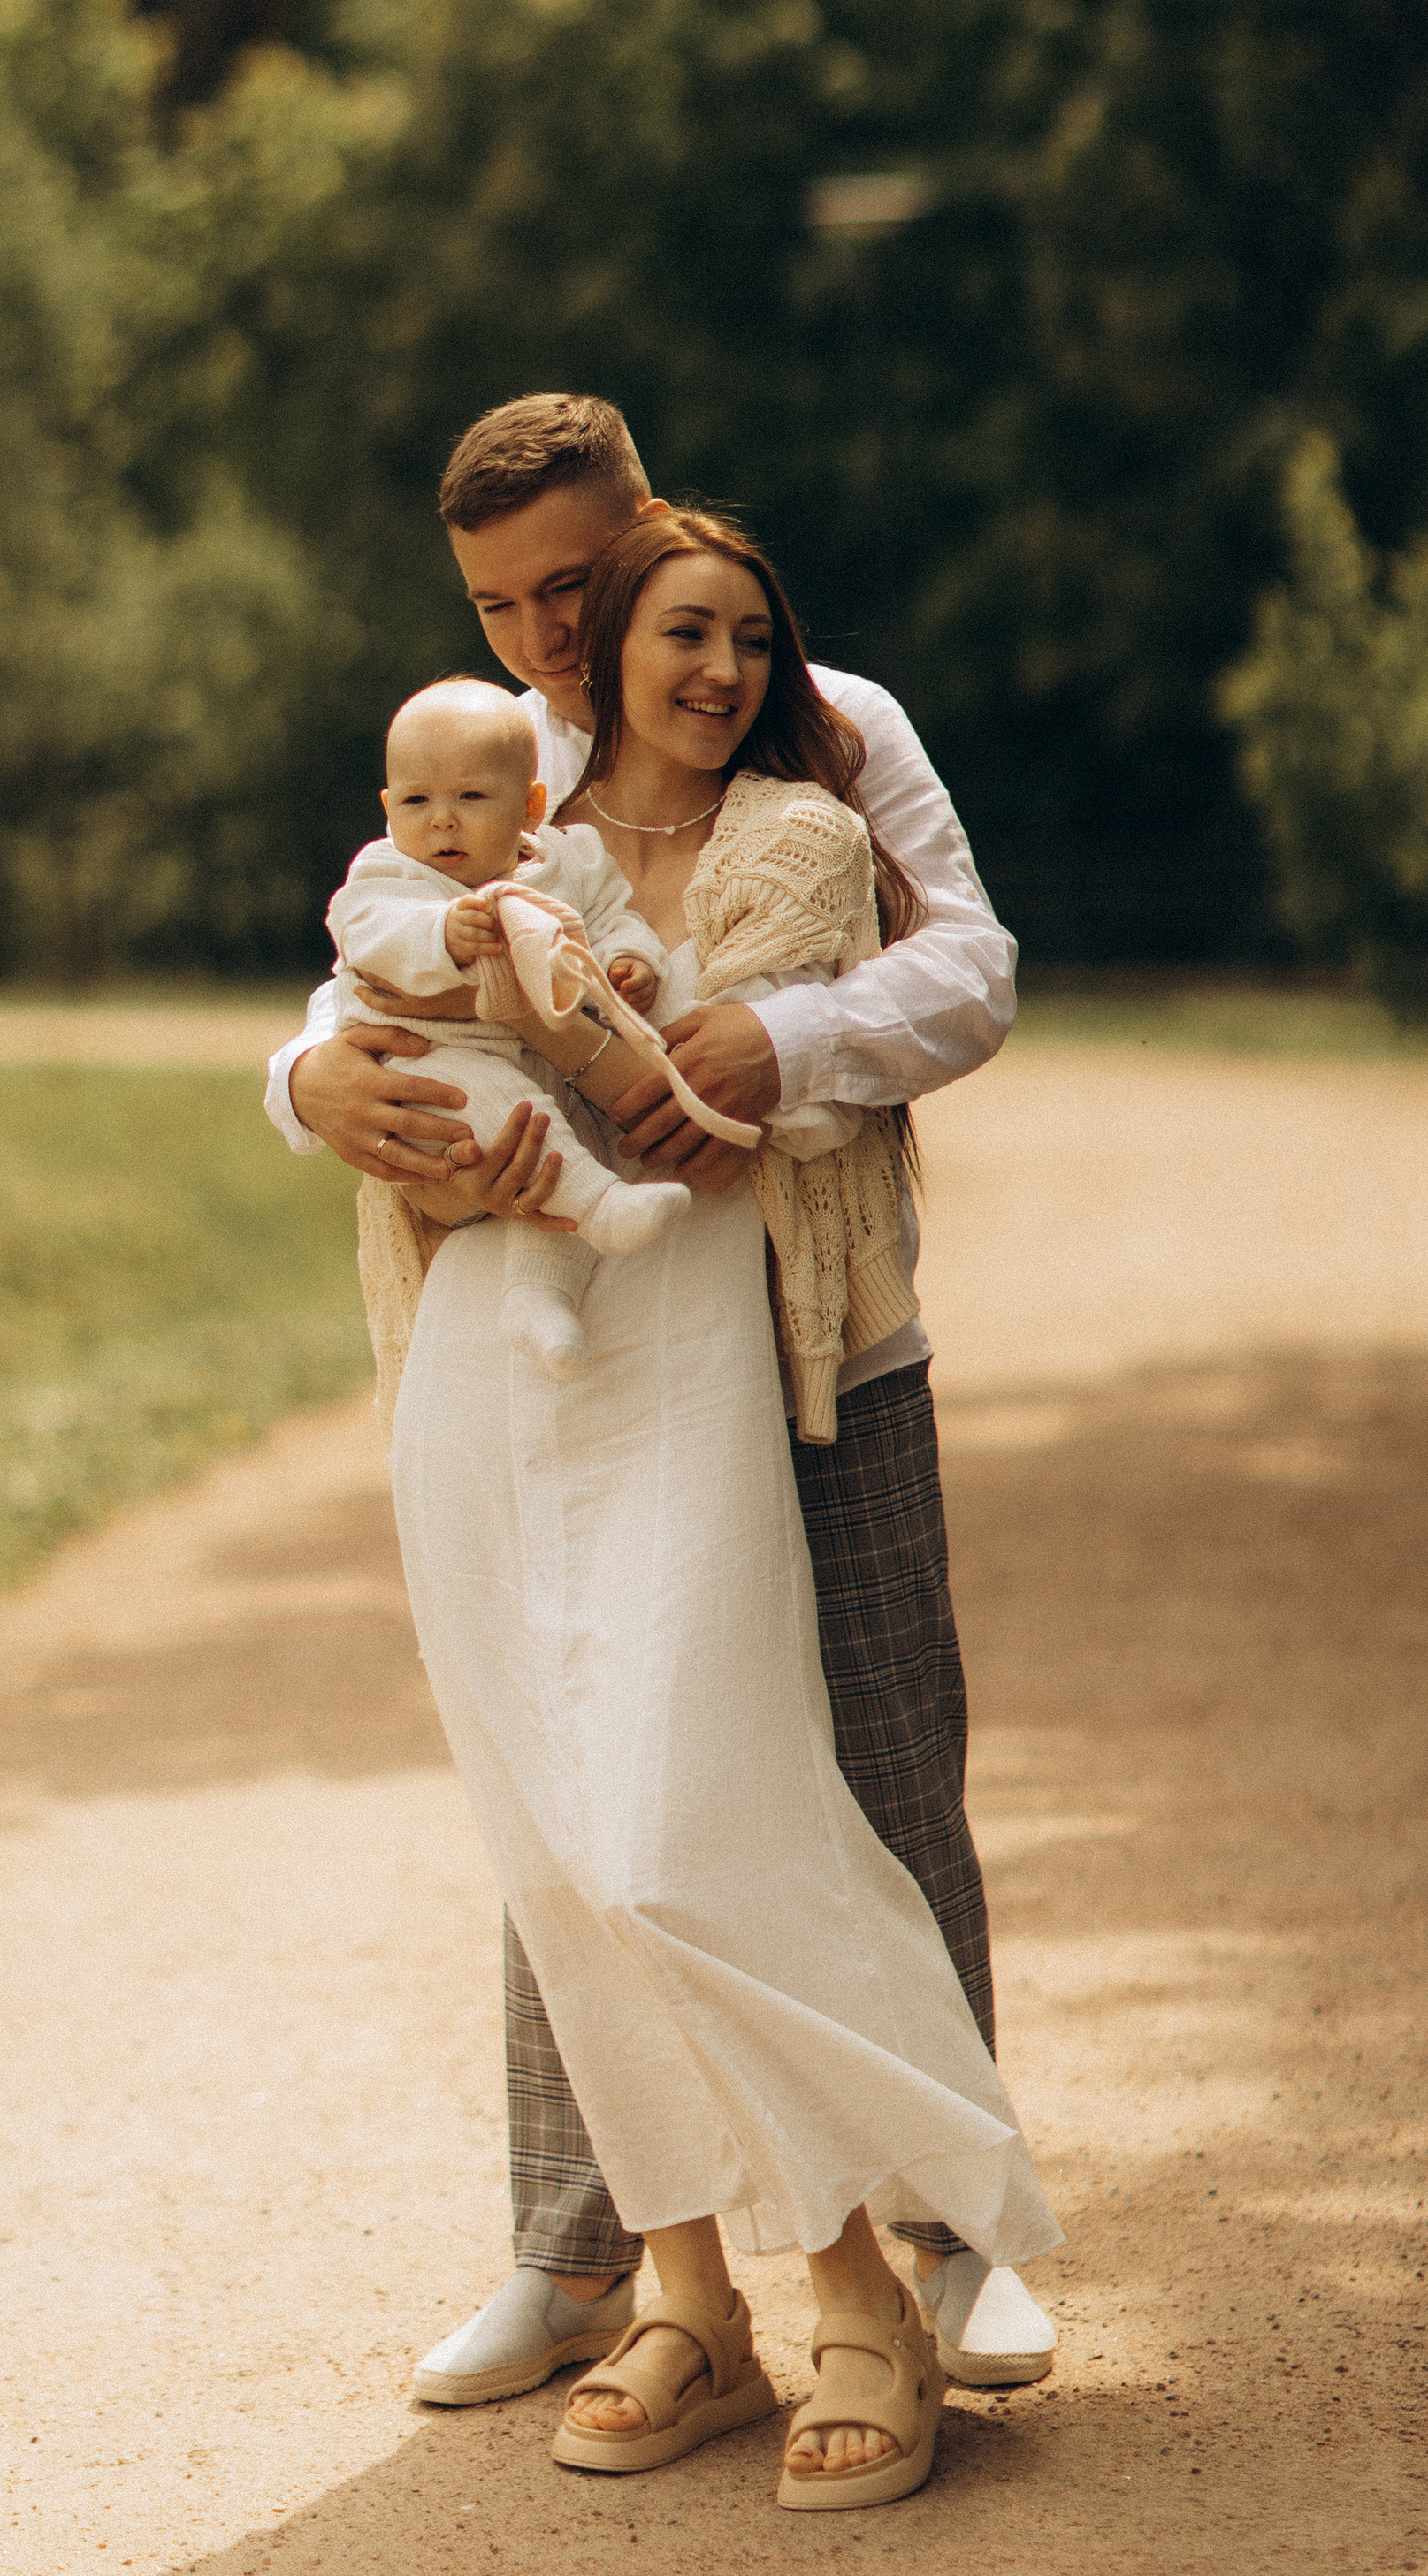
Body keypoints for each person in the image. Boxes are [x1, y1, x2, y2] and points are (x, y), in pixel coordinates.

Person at [264, 394, 1058, 2405]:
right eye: (498, 599)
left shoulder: (822, 726)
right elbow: (375, 952)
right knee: (575, 1768)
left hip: (814, 1328)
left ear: (646, 527)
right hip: (581, 1355)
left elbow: (967, 962)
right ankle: (581, 2246)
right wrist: (302, 1088)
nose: (542, 630)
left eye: (563, 582)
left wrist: (773, 1039)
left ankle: (944, 2237)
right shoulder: (493, 756)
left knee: (878, 1748)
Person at [329, 674, 687, 1383]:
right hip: (431, 1060)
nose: (441, 821)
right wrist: (441, 934)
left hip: (537, 1059)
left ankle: (539, 1299)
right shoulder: (389, 872)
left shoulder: (571, 863)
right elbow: (364, 930)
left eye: (469, 797)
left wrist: (627, 962)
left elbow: (616, 918)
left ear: (530, 806)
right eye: (416, 801)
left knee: (563, 1134)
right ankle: (604, 1208)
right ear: (387, 807)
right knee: (511, 1109)